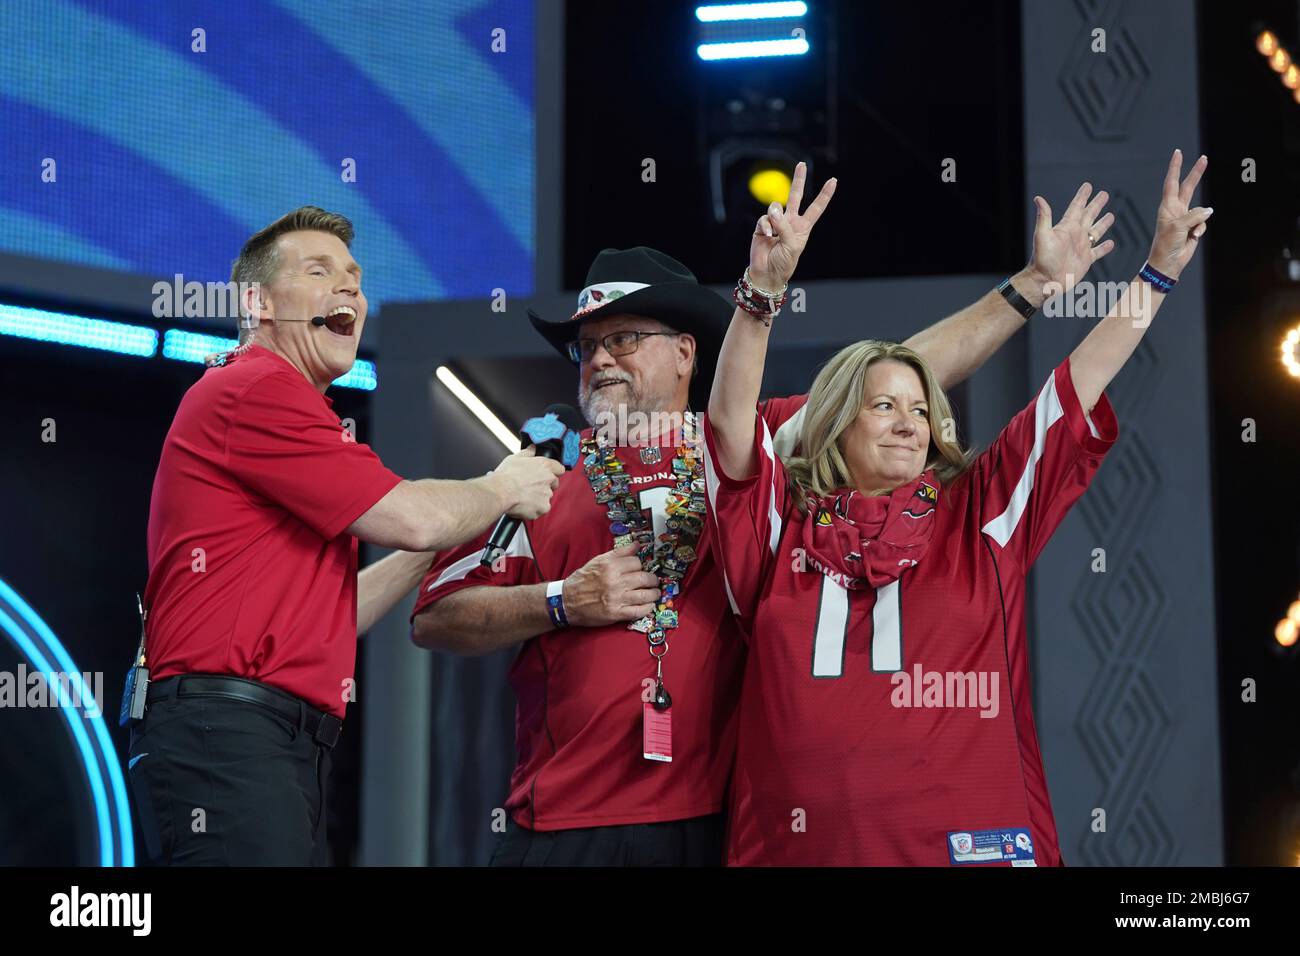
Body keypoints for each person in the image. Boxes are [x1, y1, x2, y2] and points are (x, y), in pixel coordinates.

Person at [411, 177, 1118, 867]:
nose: (599, 358)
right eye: (584, 346)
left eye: (623, 337)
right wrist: (562, 600)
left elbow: (899, 373)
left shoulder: (758, 443)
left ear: (686, 351)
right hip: (566, 824)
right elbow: (436, 617)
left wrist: (1033, 284)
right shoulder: (543, 475)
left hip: (713, 823)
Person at [702, 152, 1210, 865]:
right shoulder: (777, 522)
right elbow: (728, 426)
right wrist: (764, 287)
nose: (910, 422)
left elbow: (1078, 384)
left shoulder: (983, 515)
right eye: (883, 406)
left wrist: (1157, 271)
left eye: (921, 408)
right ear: (836, 424)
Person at [128, 206, 564, 866]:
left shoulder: (294, 415)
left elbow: (333, 616)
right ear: (259, 303)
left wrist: (430, 554)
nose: (350, 289)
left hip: (276, 741)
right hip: (230, 734)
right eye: (319, 270)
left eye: (356, 278)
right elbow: (412, 516)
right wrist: (503, 488)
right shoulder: (254, 389)